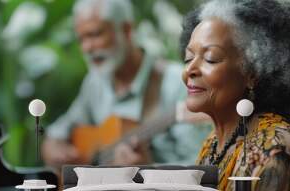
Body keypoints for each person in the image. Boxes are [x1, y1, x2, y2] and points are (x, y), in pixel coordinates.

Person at [180, 0, 290, 191]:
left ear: (252, 73)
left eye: (210, 58)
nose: (189, 69)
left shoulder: (275, 150)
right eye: (189, 57)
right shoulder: (214, 144)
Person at [42, 0, 209, 170]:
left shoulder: (179, 83)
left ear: (127, 30)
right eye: (81, 39)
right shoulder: (95, 81)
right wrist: (53, 144)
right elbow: (63, 128)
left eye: (95, 34)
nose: (87, 47)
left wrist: (148, 169)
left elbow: (200, 166)